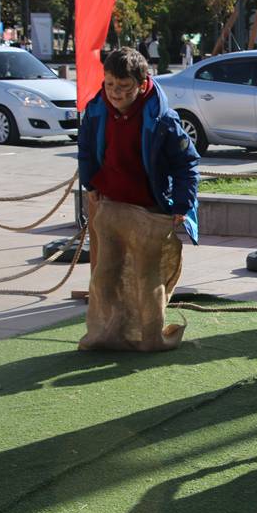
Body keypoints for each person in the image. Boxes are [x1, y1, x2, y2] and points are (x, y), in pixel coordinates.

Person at [77, 47, 200, 350]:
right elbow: (85, 148)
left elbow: (187, 163)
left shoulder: (163, 120)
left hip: (149, 209)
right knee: (104, 277)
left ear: (142, 84)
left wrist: (183, 204)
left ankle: (150, 337)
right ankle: (106, 333)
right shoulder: (96, 111)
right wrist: (89, 180)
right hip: (111, 206)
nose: (116, 94)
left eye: (124, 87)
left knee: (147, 280)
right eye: (109, 85)